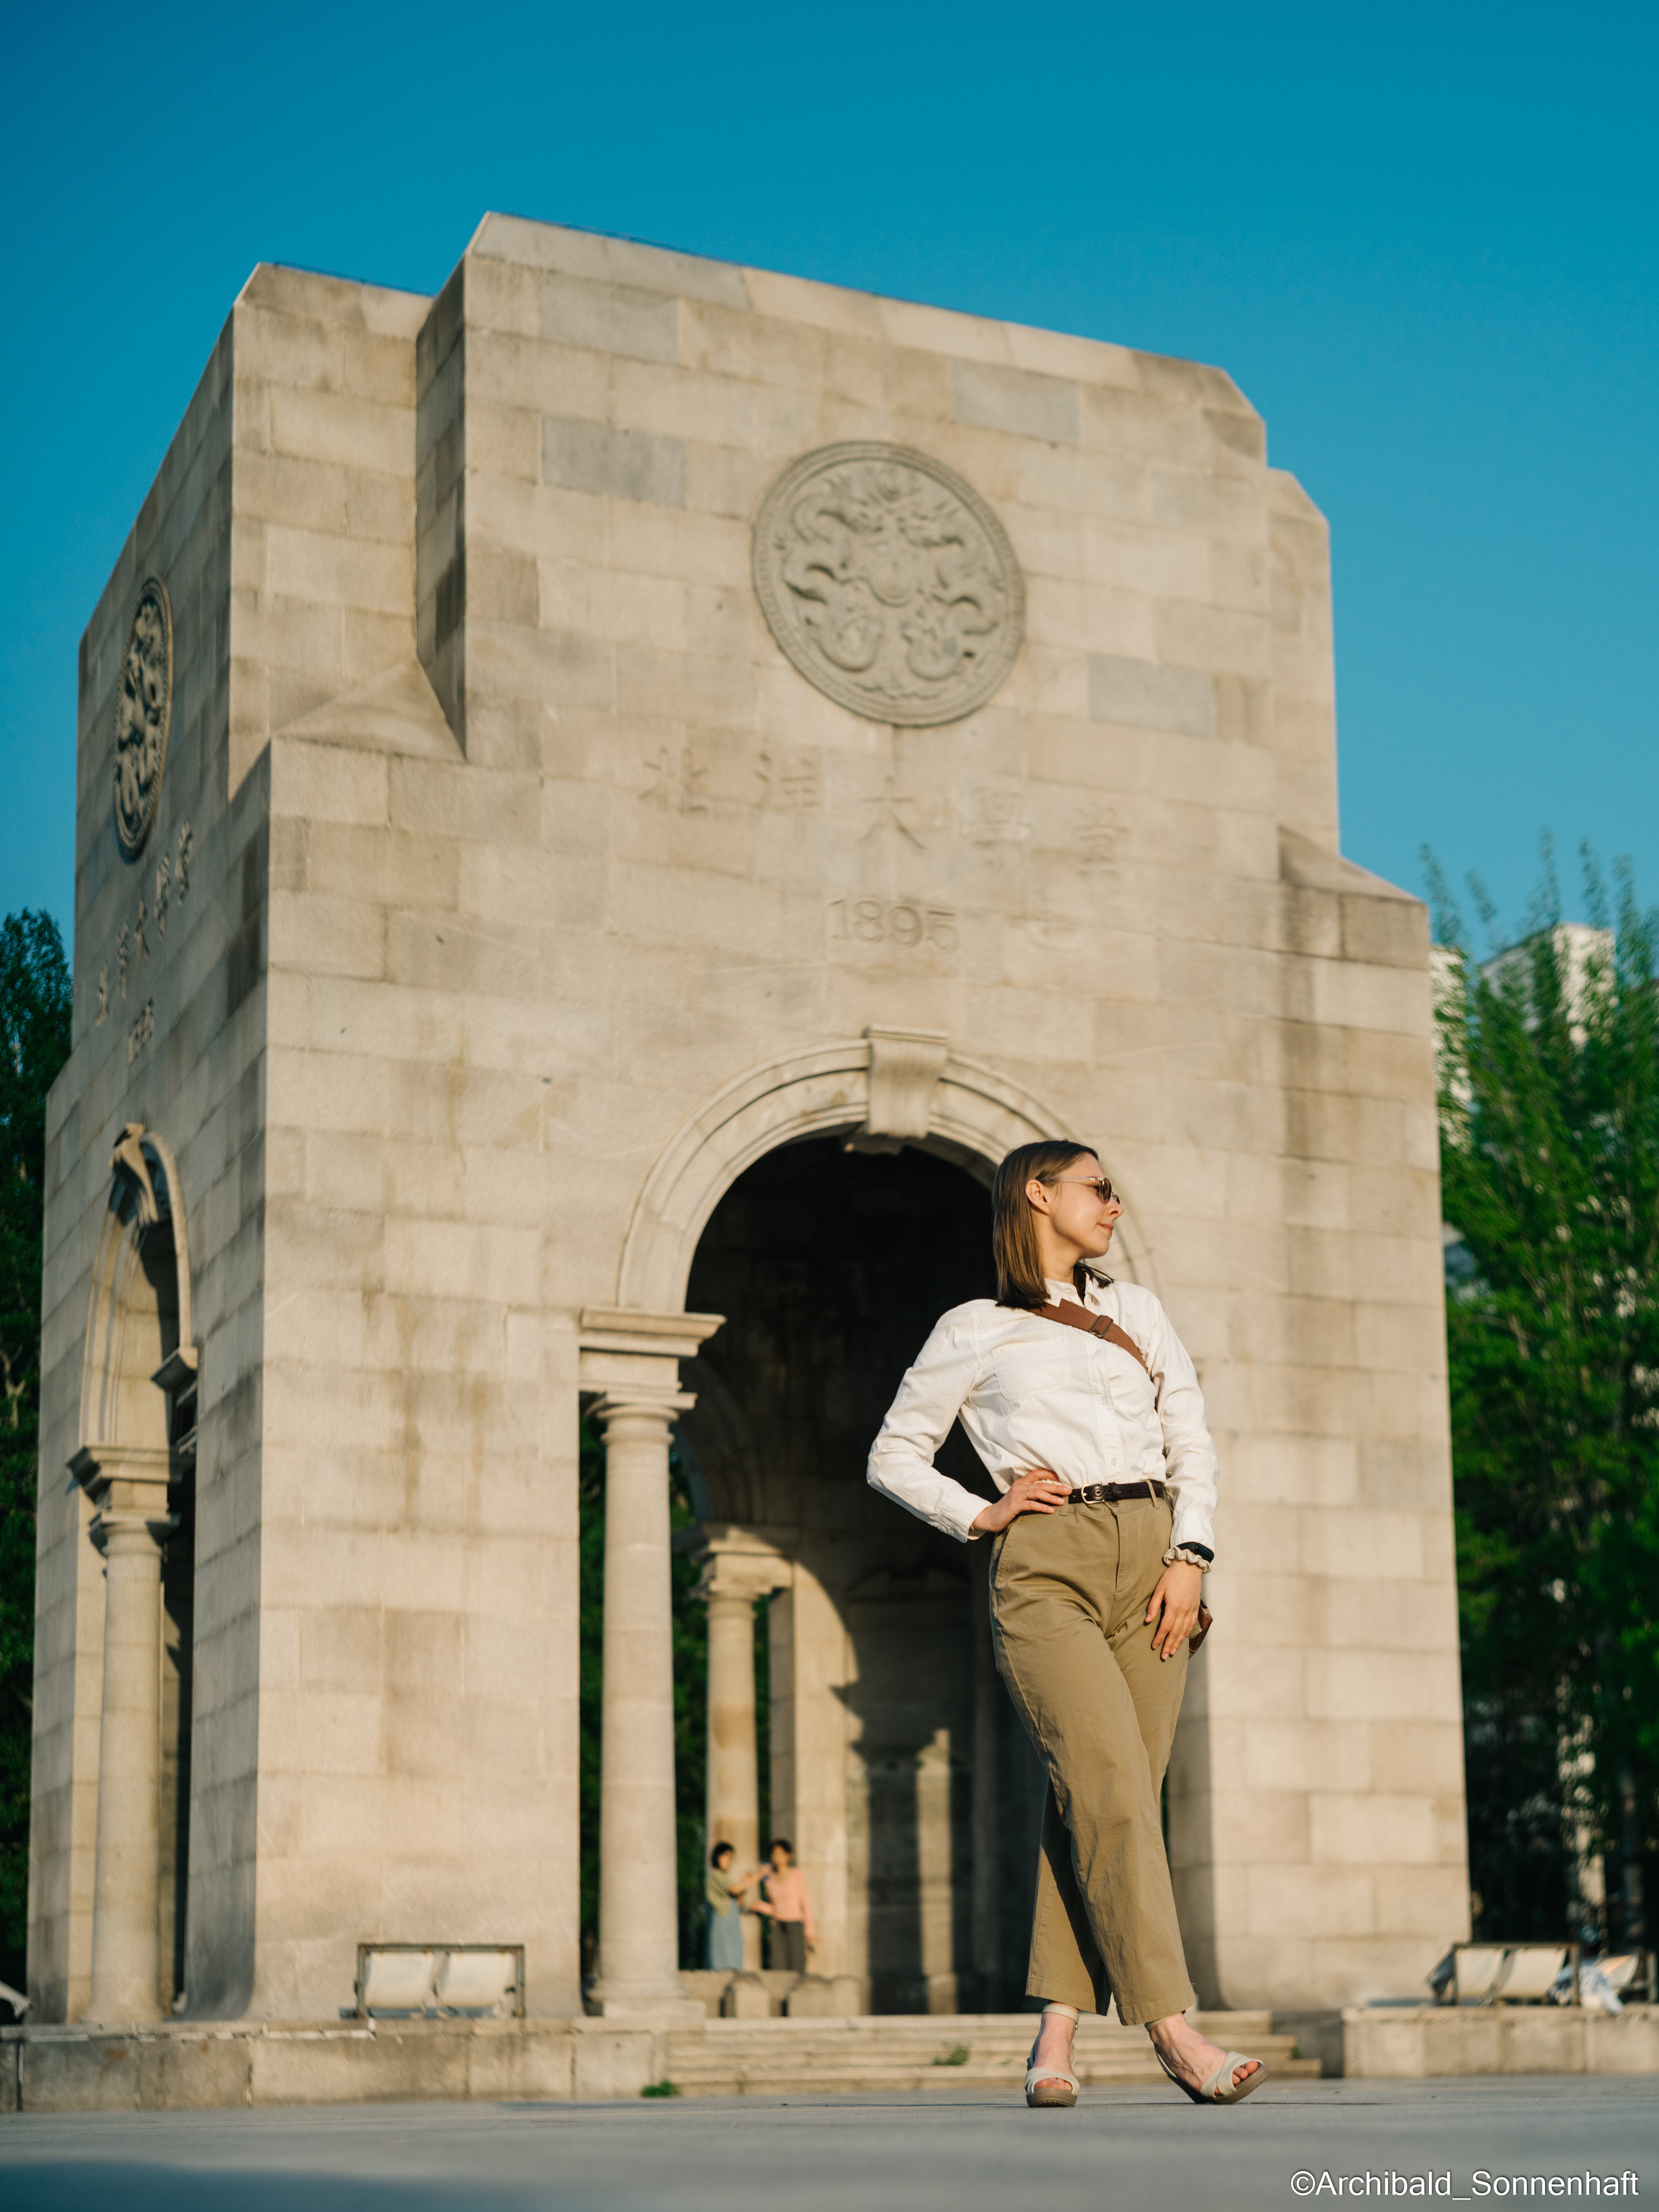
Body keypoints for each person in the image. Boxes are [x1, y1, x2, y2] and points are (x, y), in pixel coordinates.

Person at [866, 1140, 1264, 2109]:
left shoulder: (1137, 1312)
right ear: (1039, 1195)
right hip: (1047, 1565)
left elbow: (1191, 1434)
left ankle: (1055, 2032)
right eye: (1099, 1187)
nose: (1114, 1203)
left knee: (1094, 1797)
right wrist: (978, 1512)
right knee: (1114, 1789)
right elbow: (893, 1453)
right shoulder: (973, 1326)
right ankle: (1173, 2028)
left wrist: (1192, 1554)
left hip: (1157, 1558)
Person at [752, 1838, 815, 1974]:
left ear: (788, 1856)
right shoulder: (769, 1880)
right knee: (778, 1965)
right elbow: (774, 1907)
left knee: (797, 1964)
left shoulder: (796, 1875)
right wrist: (761, 1906)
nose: (777, 1857)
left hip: (795, 1924)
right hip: (777, 1925)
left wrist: (809, 1932)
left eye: (781, 1853)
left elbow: (805, 1903)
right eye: (774, 1854)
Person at [704, 1841, 758, 1972]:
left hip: (732, 1925)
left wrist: (745, 1882)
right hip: (722, 1924)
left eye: (730, 1857)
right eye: (725, 1856)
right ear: (717, 1856)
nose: (728, 1860)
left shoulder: (724, 1877)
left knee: (735, 1962)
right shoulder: (715, 1876)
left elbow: (738, 1902)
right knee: (723, 1963)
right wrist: (759, 1875)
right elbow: (735, 1890)